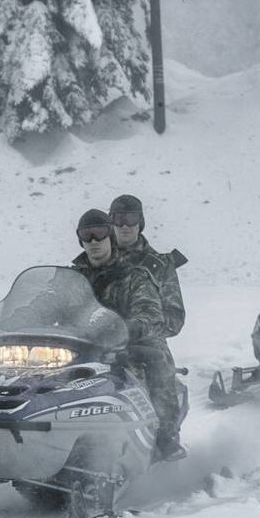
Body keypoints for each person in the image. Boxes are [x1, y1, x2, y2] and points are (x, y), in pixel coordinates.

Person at [71, 209, 187, 462]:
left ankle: (165, 436)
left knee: (157, 361)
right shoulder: (73, 277)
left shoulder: (134, 276)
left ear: (110, 236)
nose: (93, 242)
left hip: (128, 347)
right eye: (86, 235)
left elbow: (149, 313)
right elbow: (53, 307)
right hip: (80, 348)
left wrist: (127, 330)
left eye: (99, 234)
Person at [108, 194, 187, 337]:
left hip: (147, 347)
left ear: (140, 222)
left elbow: (175, 318)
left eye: (131, 219)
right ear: (111, 223)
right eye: (119, 219)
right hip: (97, 344)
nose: (125, 226)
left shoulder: (160, 266)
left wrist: (141, 326)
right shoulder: (96, 259)